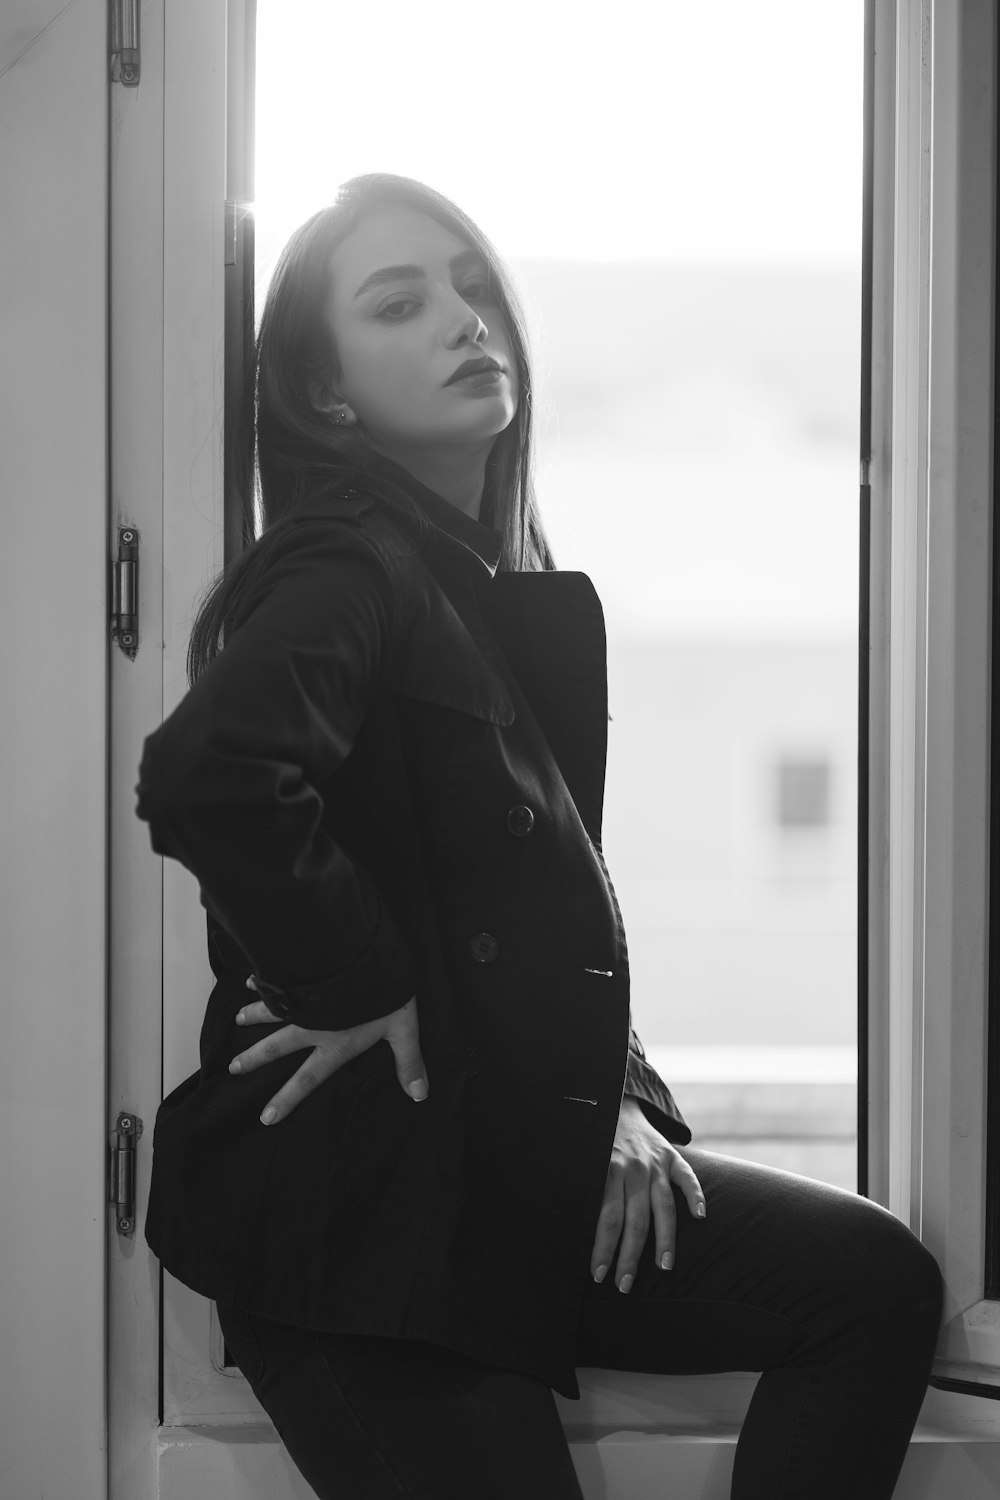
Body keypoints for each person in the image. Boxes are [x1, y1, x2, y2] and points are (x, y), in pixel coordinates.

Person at [136, 172, 942, 1500]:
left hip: (495, 1170)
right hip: (364, 1219)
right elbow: (212, 769)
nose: (466, 318)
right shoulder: (349, 560)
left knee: (867, 1288)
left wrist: (615, 1103)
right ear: (328, 396)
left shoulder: (473, 581)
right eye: (402, 303)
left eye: (470, 286)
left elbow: (522, 915)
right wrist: (357, 981)